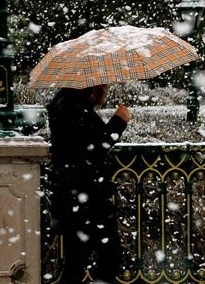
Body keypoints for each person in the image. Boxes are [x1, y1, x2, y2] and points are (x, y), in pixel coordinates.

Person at [46, 85, 131, 284]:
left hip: (74, 195)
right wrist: (119, 121)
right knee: (109, 255)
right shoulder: (74, 107)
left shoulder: (67, 104)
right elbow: (94, 148)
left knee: (77, 260)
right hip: (88, 197)